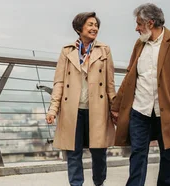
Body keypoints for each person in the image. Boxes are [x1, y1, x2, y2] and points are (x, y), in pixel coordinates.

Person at [111, 3, 170, 186]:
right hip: (140, 110)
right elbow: (130, 75)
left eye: (139, 24)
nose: (136, 28)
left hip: (166, 110)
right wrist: (116, 106)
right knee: (138, 154)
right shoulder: (140, 44)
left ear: (150, 22)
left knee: (168, 154)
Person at [46, 12, 116, 186]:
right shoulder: (67, 51)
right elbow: (59, 82)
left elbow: (110, 83)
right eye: (90, 24)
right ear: (79, 28)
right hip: (73, 109)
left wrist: (115, 108)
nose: (94, 28)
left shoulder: (104, 50)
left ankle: (99, 182)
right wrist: (53, 109)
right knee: (73, 152)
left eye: (96, 25)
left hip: (97, 109)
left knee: (99, 152)